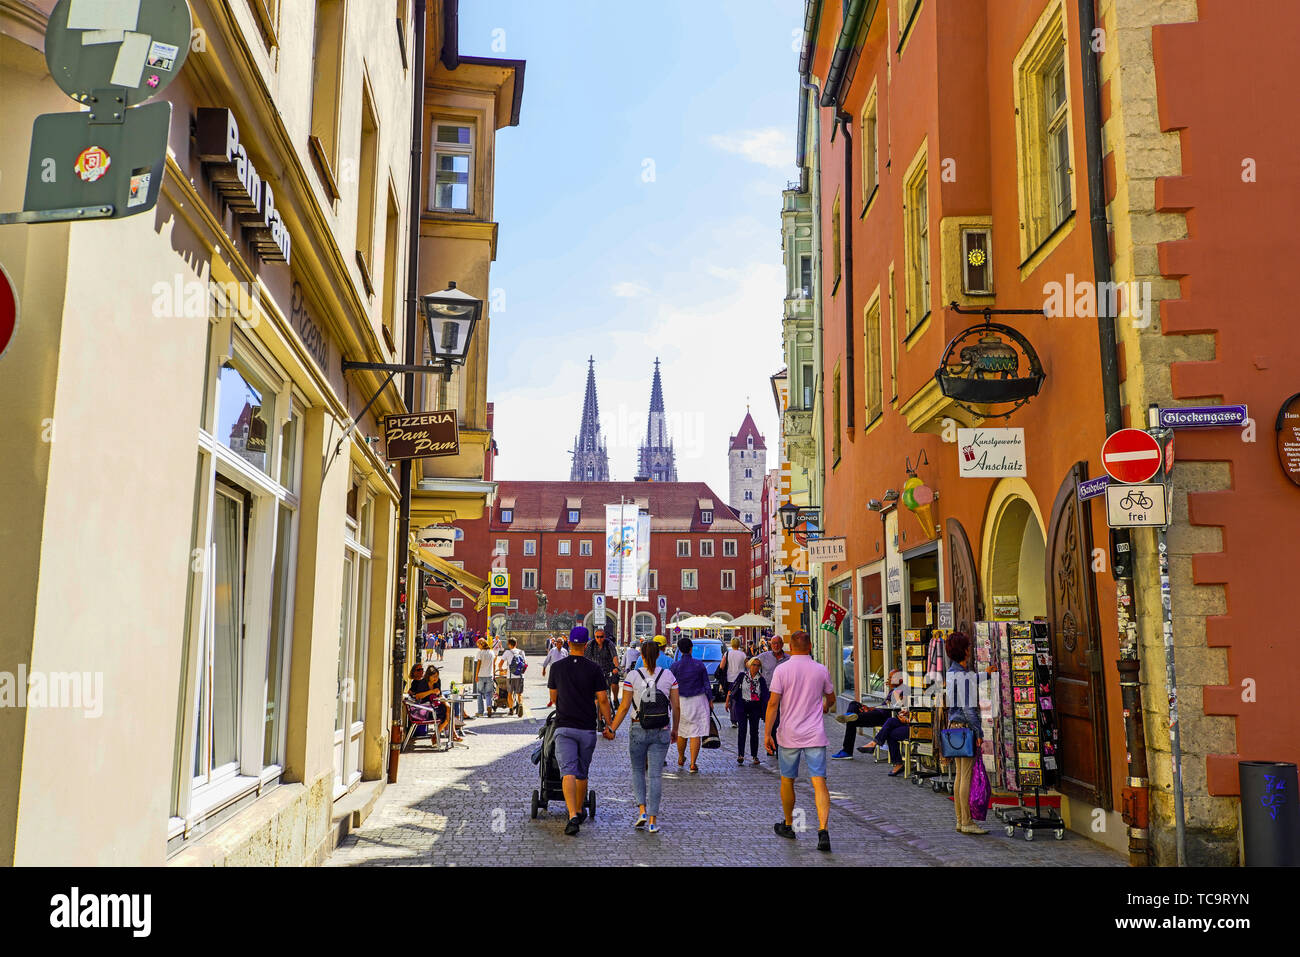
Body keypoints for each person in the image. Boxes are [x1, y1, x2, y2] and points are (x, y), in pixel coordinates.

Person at [765, 630, 836, 853]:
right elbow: (830, 697)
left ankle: (788, 824)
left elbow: (773, 704)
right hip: (814, 734)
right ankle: (823, 830)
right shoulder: (820, 669)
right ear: (810, 645)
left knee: (787, 780)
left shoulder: (782, 670)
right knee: (819, 782)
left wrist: (767, 733)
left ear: (790, 647)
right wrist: (824, 707)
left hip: (789, 734)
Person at [547, 626, 615, 836]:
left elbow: (553, 697)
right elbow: (603, 699)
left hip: (564, 725)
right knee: (581, 772)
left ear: (569, 644)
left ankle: (572, 816)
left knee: (567, 771)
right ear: (586, 645)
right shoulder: (594, 669)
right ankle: (578, 808)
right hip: (586, 728)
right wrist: (609, 724)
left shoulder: (557, 668)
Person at [608, 638, 681, 833]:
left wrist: (612, 729)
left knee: (638, 771)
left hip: (638, 727)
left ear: (641, 655)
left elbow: (624, 708)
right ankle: (652, 821)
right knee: (656, 775)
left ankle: (641, 810)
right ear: (658, 655)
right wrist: (675, 729)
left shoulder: (632, 676)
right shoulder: (668, 676)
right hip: (662, 729)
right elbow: (676, 706)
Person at [945, 631, 987, 835]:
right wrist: (978, 731)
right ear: (964, 650)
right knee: (966, 776)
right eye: (968, 646)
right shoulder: (961, 675)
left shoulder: (952, 672)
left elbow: (969, 681)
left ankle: (960, 820)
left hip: (954, 727)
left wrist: (986, 674)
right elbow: (969, 709)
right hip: (965, 728)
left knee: (960, 775)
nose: (970, 649)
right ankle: (967, 821)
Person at [831, 669, 904, 759]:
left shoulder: (902, 690)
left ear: (900, 680)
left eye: (891, 678)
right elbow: (884, 705)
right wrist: (869, 708)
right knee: (854, 704)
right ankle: (849, 715)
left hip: (882, 717)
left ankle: (847, 751)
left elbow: (893, 706)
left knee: (852, 721)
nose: (888, 680)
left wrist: (893, 689)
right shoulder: (894, 690)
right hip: (877, 712)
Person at [669, 637, 712, 774]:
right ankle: (693, 763)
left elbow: (671, 685)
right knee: (696, 733)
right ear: (691, 648)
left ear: (679, 650)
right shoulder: (699, 665)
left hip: (680, 701)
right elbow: (706, 684)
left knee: (681, 731)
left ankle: (681, 757)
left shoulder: (675, 666)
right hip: (698, 700)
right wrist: (710, 699)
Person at [726, 657, 769, 765]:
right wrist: (728, 701)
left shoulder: (761, 679)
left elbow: (765, 696)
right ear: (749, 665)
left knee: (754, 731)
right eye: (754, 665)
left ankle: (755, 756)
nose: (755, 667)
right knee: (742, 730)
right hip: (742, 705)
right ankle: (740, 755)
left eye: (758, 665)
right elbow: (733, 688)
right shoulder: (742, 676)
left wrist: (766, 710)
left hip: (755, 706)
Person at [407, 663, 460, 743]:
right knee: (447, 714)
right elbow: (418, 696)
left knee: (449, 710)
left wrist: (443, 700)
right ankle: (442, 735)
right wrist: (431, 691)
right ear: (429, 676)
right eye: (434, 676)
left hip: (435, 707)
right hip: (425, 709)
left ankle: (446, 734)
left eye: (437, 676)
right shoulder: (423, 683)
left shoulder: (438, 682)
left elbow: (440, 694)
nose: (436, 678)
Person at [584, 627, 621, 722]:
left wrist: (616, 667)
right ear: (594, 637)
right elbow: (586, 659)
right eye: (597, 637)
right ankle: (599, 718)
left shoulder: (609, 644)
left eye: (601, 637)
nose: (600, 639)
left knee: (615, 681)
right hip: (595, 670)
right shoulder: (590, 644)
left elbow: (615, 657)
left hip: (609, 669)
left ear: (604, 636)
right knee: (595, 694)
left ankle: (616, 699)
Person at [498, 637, 526, 717]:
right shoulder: (521, 652)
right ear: (516, 644)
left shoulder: (507, 652)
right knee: (519, 694)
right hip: (520, 676)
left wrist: (502, 670)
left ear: (509, 644)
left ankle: (511, 710)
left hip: (510, 676)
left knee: (509, 694)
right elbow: (525, 664)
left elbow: (500, 664)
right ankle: (520, 704)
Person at [473, 638, 496, 717]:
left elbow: (478, 664)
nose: (478, 647)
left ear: (481, 644)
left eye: (478, 645)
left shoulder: (480, 653)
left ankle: (480, 711)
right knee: (488, 693)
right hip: (489, 675)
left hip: (481, 675)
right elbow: (493, 664)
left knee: (479, 693)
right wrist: (494, 674)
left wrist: (476, 675)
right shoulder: (491, 652)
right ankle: (489, 706)